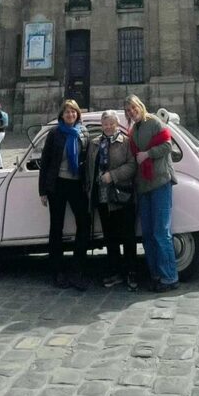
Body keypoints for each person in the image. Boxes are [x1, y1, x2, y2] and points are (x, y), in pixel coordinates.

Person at [125, 94, 178, 292]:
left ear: (140, 106)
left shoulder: (154, 122)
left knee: (161, 233)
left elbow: (167, 144)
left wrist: (148, 154)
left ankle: (169, 277)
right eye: (128, 110)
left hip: (160, 182)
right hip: (143, 185)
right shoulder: (133, 130)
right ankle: (155, 274)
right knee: (147, 234)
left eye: (133, 107)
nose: (132, 111)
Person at [38, 99, 89, 290]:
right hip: (57, 185)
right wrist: (42, 190)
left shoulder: (83, 132)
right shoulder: (55, 133)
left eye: (73, 112)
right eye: (67, 112)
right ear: (62, 114)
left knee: (84, 224)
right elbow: (45, 161)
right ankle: (57, 271)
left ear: (77, 114)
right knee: (56, 227)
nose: (70, 115)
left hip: (77, 185)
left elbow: (88, 157)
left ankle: (77, 270)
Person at [86, 109, 137, 291]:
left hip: (122, 196)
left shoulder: (126, 142)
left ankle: (131, 272)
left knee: (128, 237)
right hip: (103, 198)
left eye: (111, 123)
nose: (108, 127)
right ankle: (115, 272)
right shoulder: (94, 143)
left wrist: (113, 175)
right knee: (110, 237)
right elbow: (89, 170)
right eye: (105, 123)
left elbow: (132, 166)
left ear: (117, 124)